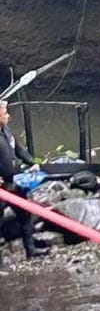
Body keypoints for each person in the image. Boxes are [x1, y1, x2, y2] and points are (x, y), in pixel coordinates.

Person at [0, 100, 49, 264]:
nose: (8, 116)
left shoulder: (6, 131)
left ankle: (31, 249)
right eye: (5, 113)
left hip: (13, 181)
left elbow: (19, 149)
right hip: (1, 185)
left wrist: (31, 162)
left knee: (25, 215)